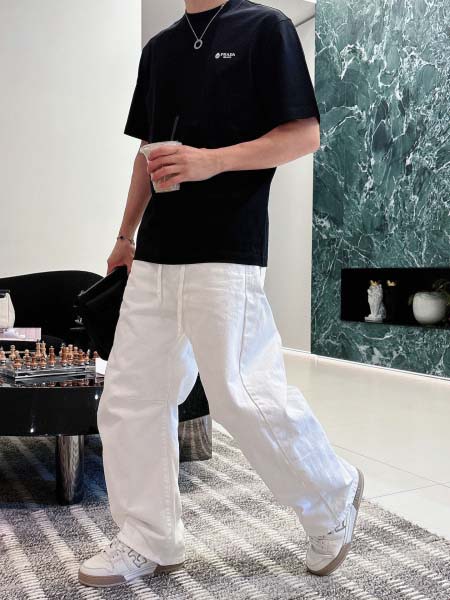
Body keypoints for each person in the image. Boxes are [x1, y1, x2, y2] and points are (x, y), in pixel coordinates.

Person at [78, 0, 364, 588]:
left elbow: (303, 134)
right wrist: (125, 235)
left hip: (227, 247)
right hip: (155, 255)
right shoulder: (159, 50)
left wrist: (211, 162)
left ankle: (332, 497)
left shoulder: (266, 28)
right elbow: (146, 152)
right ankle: (149, 536)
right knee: (131, 396)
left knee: (242, 394)